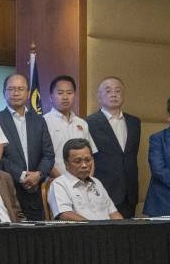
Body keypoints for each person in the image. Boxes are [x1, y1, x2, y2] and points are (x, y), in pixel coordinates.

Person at [0, 73, 54, 221]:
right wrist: (21, 176)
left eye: (20, 89)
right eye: (11, 89)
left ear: (28, 93)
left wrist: (38, 175)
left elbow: (48, 155)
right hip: (8, 190)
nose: (15, 93)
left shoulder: (39, 121)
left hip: (34, 192)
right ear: (4, 93)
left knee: (36, 239)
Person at [87, 77, 141, 218]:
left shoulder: (134, 122)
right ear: (99, 96)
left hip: (129, 192)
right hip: (104, 189)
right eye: (108, 91)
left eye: (118, 91)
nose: (113, 94)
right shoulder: (89, 122)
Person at [48, 139, 122, 221]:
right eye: (77, 161)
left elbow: (113, 213)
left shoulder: (97, 182)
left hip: (107, 231)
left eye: (88, 160)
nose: (84, 165)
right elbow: (65, 214)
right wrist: (95, 228)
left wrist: (122, 228)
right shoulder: (59, 184)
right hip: (82, 231)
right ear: (66, 163)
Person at [43, 75, 97, 177]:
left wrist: (89, 178)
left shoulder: (82, 123)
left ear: (74, 95)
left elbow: (90, 155)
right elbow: (44, 157)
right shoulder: (43, 122)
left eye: (69, 93)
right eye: (60, 93)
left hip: (83, 182)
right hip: (56, 181)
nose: (65, 97)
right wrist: (63, 182)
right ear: (51, 97)